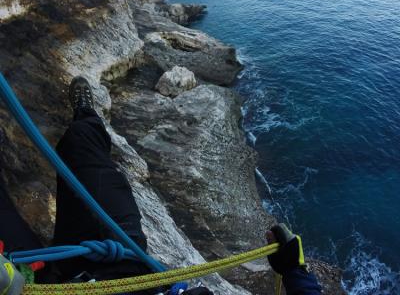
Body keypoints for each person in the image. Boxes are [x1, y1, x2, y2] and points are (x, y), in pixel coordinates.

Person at [0, 77, 322, 295]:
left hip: (69, 281)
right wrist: (295, 274)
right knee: (84, 143)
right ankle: (86, 112)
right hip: (128, 273)